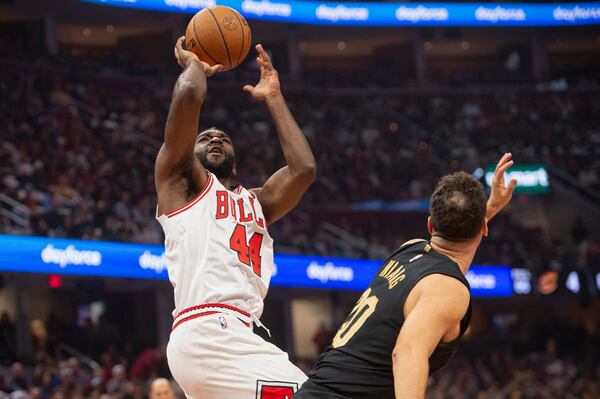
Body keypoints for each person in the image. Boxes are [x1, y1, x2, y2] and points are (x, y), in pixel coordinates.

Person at [155, 37, 316, 399]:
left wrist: (274, 97)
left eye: (223, 138)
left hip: (238, 332)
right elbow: (189, 96)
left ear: (236, 160)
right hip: (208, 330)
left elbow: (303, 169)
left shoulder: (257, 201)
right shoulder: (181, 184)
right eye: (205, 138)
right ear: (189, 153)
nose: (214, 139)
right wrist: (195, 64)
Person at [294, 154, 517, 399]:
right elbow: (407, 352)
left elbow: (450, 253)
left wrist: (490, 207)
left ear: (431, 225)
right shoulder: (449, 289)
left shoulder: (409, 249)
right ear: (484, 228)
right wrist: (483, 215)